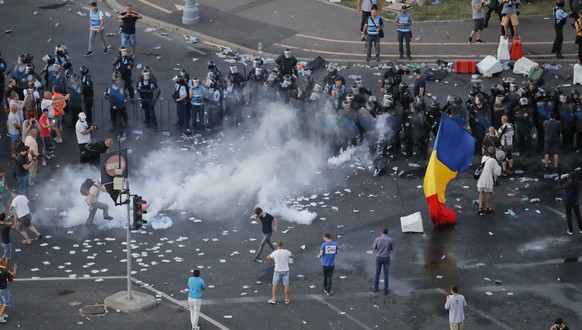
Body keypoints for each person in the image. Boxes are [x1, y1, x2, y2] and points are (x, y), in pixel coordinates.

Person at [477, 146, 502, 215]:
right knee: (489, 193)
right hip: (488, 178)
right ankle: (487, 207)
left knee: (481, 192)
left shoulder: (483, 158)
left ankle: (480, 207)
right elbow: (498, 171)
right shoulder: (493, 161)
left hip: (481, 177)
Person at [558, 170, 582, 235]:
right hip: (574, 200)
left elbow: (559, 186)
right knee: (578, 215)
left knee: (569, 216)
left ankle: (571, 230)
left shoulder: (567, 185)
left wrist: (561, 179)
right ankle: (581, 229)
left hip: (567, 201)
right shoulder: (577, 183)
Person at [373, 228, 393, 295]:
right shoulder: (390, 240)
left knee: (377, 273)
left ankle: (376, 288)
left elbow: (374, 247)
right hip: (386, 257)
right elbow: (391, 248)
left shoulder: (377, 239)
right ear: (387, 233)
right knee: (386, 274)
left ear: (381, 232)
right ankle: (386, 290)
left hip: (379, 257)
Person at [0, 258, 16, 324]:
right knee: (6, 302)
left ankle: (1, 313)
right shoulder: (5, 271)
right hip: (4, 289)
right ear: (3, 263)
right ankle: (0, 316)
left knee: (1, 302)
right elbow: (13, 275)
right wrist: (15, 268)